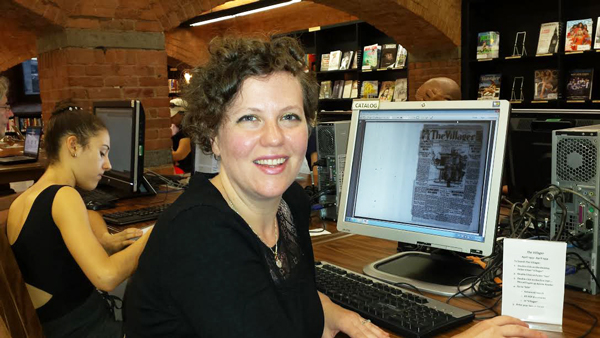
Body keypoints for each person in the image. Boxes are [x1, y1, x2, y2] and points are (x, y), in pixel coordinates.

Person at [123, 36, 545, 338]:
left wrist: (339, 315)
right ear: (213, 135)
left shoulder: (287, 201)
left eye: (289, 117)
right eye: (249, 118)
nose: (274, 137)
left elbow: (296, 295)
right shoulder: (201, 237)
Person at [7, 102, 152, 337]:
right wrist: (155, 234)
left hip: (55, 326)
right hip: (84, 328)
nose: (108, 164)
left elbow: (89, 216)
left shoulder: (28, 198)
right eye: (102, 152)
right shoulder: (64, 196)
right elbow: (106, 277)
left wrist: (103, 239)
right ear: (73, 146)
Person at [170, 98, 193, 174]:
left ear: (182, 114)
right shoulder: (180, 130)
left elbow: (179, 155)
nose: (171, 117)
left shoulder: (187, 132)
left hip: (186, 173)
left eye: (174, 115)